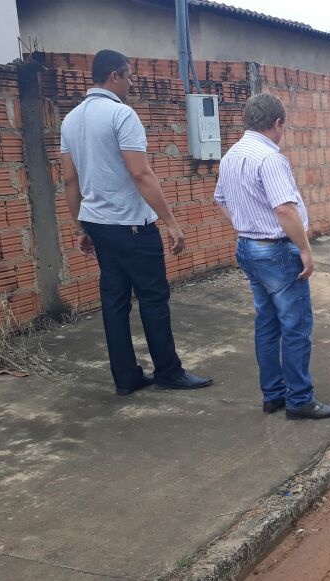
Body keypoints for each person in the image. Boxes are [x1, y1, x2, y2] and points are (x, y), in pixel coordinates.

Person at [60, 49, 212, 396]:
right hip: (131, 226)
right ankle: (168, 372)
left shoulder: (71, 120)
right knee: (153, 299)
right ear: (114, 75)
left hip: (98, 225)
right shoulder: (121, 114)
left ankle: (126, 378)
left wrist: (80, 227)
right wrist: (170, 221)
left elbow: (70, 181)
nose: (130, 83)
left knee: (114, 301)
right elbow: (140, 172)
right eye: (128, 76)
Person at [214, 93, 330, 420]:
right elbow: (284, 209)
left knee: (267, 323)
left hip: (248, 246)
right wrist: (304, 249)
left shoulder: (231, 156)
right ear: (277, 123)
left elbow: (221, 199)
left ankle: (273, 394)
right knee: (295, 325)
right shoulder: (270, 158)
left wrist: (246, 225)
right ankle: (300, 399)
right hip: (276, 250)